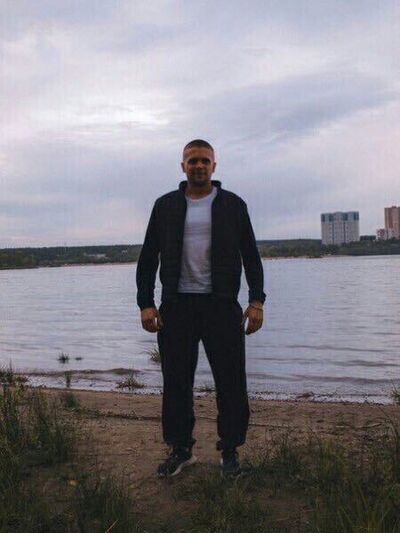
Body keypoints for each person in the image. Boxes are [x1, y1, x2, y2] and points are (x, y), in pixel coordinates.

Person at [136, 139, 265, 477]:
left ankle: (230, 451)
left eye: (204, 161)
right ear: (183, 166)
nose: (198, 166)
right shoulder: (165, 206)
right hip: (176, 307)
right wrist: (146, 303)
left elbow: (251, 256)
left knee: (231, 381)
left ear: (214, 166)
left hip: (221, 306)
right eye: (192, 160)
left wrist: (256, 300)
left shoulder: (233, 205)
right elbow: (148, 257)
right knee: (176, 381)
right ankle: (181, 450)